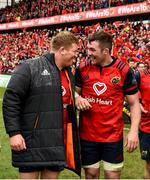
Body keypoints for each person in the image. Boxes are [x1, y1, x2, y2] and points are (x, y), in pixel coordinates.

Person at [2, 31, 81, 179]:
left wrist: (77, 97)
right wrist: (14, 133)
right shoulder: (30, 67)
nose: (77, 55)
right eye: (75, 51)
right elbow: (11, 100)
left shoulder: (68, 73)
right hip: (32, 142)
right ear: (62, 50)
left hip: (57, 142)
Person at [75, 30, 141, 179]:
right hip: (87, 135)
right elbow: (72, 92)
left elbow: (134, 103)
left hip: (113, 136)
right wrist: (77, 96)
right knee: (91, 174)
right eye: (88, 48)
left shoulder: (123, 70)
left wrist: (133, 131)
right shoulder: (82, 67)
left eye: (92, 49)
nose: (88, 53)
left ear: (105, 51)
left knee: (112, 176)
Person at [135, 69, 150, 179]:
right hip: (147, 128)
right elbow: (131, 92)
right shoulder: (141, 75)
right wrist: (138, 104)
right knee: (149, 165)